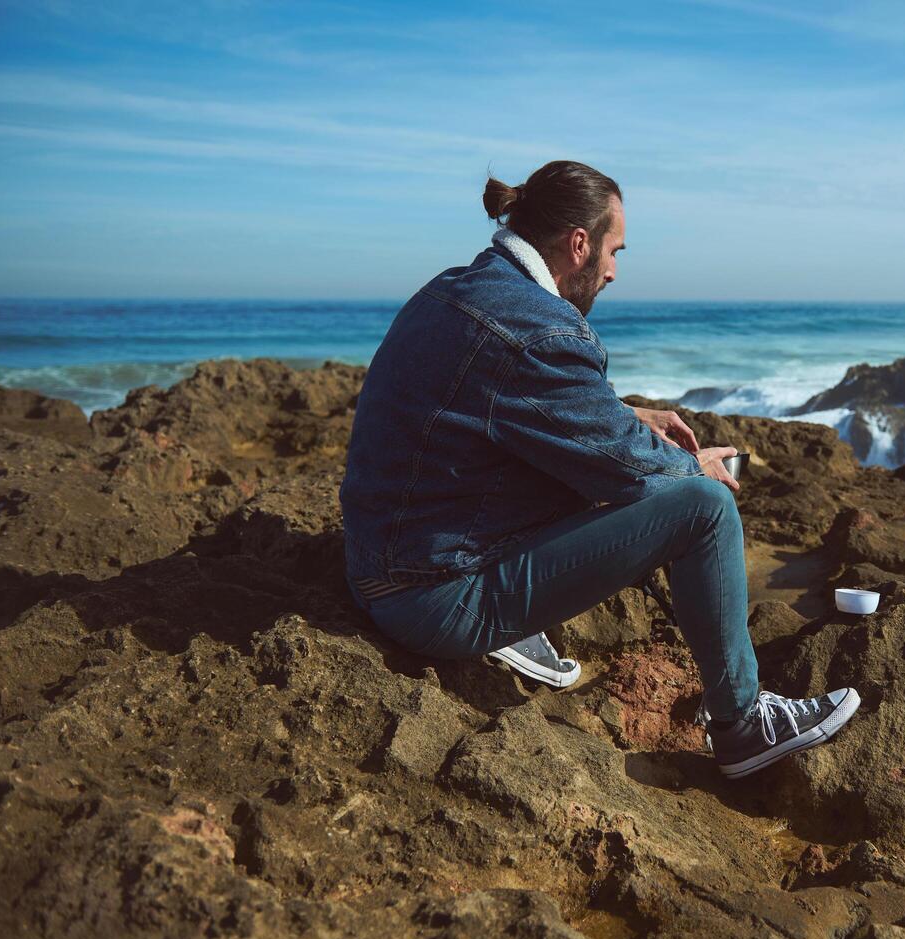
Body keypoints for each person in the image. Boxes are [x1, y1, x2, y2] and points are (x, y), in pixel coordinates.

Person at [338, 160, 859, 778]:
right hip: (434, 598)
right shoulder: (538, 327)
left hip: (379, 564)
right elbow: (621, 469)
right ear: (578, 244)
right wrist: (693, 467)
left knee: (608, 458)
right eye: (614, 251)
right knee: (706, 510)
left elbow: (510, 406)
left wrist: (629, 414)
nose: (613, 270)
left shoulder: (458, 287)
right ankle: (743, 727)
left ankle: (510, 620)